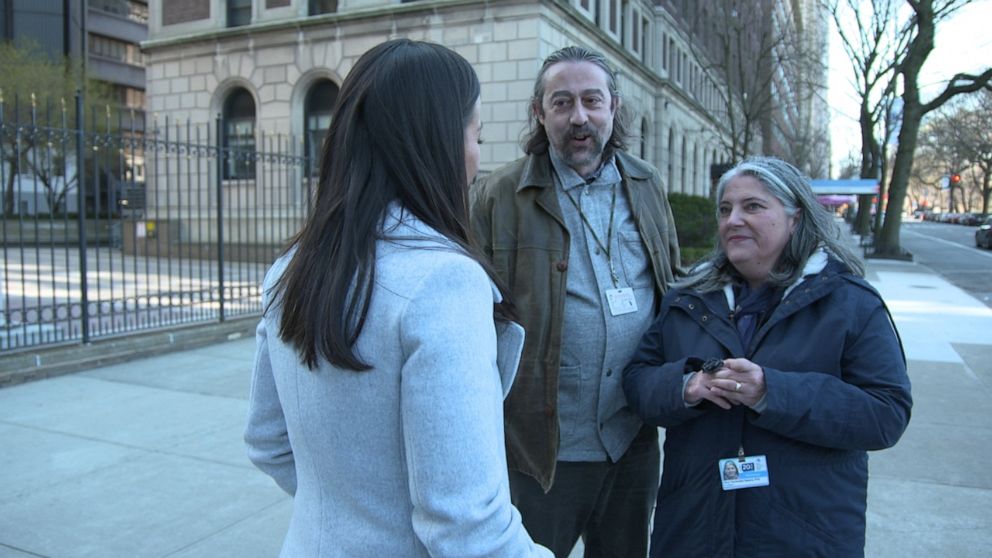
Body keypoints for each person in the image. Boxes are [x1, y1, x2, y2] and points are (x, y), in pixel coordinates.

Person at [244, 39, 551, 558]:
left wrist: (352, 516)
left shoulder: (290, 268)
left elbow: (267, 440)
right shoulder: (443, 283)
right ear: (437, 143)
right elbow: (468, 525)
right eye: (476, 132)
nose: (478, 154)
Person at [623, 156, 913, 557]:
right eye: (725, 209)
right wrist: (687, 386)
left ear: (795, 217)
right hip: (693, 530)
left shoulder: (850, 303)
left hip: (803, 535)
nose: (733, 220)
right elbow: (638, 380)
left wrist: (771, 392)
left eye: (753, 206)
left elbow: (886, 414)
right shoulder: (688, 299)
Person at [470, 45, 681, 557]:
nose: (579, 116)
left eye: (592, 100)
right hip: (543, 451)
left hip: (631, 440)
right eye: (562, 103)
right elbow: (472, 315)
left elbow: (672, 283)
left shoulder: (646, 184)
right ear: (539, 114)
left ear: (613, 108)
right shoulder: (501, 195)